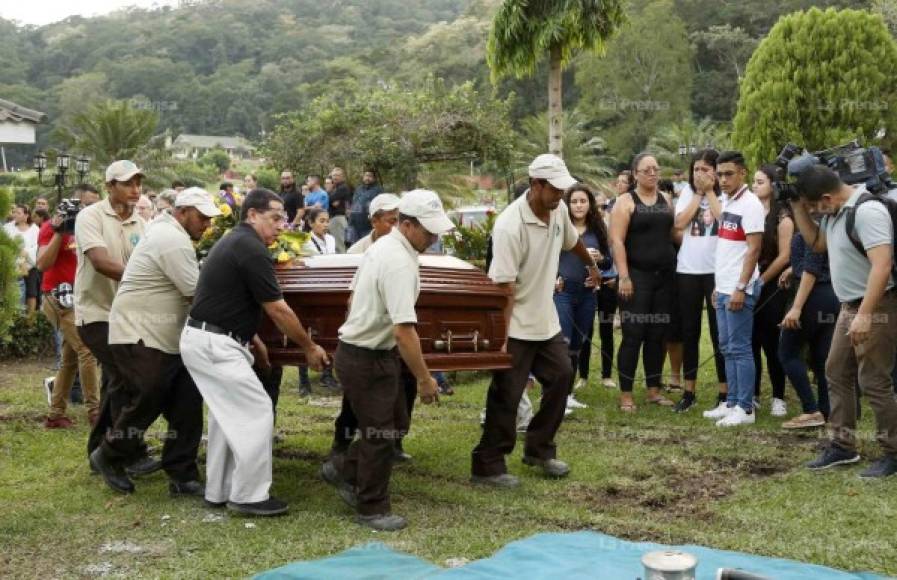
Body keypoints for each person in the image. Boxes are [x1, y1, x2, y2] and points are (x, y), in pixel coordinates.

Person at [180, 188, 328, 516]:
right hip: (214, 344)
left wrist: (253, 340)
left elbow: (232, 300)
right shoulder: (251, 247)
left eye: (283, 219)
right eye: (274, 218)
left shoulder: (238, 241)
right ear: (251, 215)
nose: (280, 226)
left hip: (208, 338)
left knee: (226, 416)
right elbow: (277, 308)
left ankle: (219, 491)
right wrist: (309, 346)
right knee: (257, 410)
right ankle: (248, 496)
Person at [321, 189, 450, 531]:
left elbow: (354, 299)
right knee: (379, 434)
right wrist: (424, 378)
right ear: (407, 225)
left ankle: (345, 471)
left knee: (393, 422)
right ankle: (372, 507)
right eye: (429, 230)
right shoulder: (397, 261)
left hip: (367, 352)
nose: (435, 237)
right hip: (366, 356)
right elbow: (404, 330)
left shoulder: (385, 247)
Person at [471, 154, 600, 487]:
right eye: (554, 189)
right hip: (513, 323)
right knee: (508, 394)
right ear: (535, 184)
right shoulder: (509, 225)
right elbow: (503, 288)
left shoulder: (557, 212)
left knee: (562, 376)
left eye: (563, 188)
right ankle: (487, 464)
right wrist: (500, 336)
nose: (560, 196)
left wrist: (592, 268)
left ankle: (539, 449)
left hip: (544, 320)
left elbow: (574, 243)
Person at [90, 188, 219, 495]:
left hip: (162, 335)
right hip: (141, 332)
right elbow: (196, 295)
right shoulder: (171, 239)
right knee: (150, 395)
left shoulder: (168, 232)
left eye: (210, 219)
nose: (206, 225)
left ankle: (182, 474)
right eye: (202, 217)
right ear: (183, 211)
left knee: (187, 400)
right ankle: (109, 454)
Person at [792, 165, 897, 477]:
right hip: (848, 307)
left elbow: (882, 266)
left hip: (876, 306)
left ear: (826, 197)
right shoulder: (835, 212)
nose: (814, 212)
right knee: (835, 370)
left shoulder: (867, 212)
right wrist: (799, 207)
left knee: (874, 380)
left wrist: (865, 315)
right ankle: (843, 446)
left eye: (813, 206)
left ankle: (893, 452)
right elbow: (817, 244)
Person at [76, 161, 157, 476]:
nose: (135, 189)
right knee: (130, 380)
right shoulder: (90, 216)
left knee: (115, 382)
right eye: (127, 183)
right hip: (95, 314)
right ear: (109, 185)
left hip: (127, 315)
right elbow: (100, 261)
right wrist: (143, 278)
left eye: (138, 183)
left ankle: (99, 449)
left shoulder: (141, 223)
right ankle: (128, 452)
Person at [610, 153, 677, 412]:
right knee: (633, 335)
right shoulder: (625, 202)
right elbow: (616, 241)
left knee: (657, 335)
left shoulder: (666, 200)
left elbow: (671, 234)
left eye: (656, 169)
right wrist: (624, 276)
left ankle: (653, 390)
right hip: (636, 278)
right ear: (635, 173)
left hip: (664, 277)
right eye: (646, 169)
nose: (652, 173)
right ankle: (626, 394)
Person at [702, 151, 764, 427]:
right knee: (726, 347)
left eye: (729, 174)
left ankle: (745, 408)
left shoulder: (750, 205)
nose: (723, 179)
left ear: (743, 173)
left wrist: (740, 287)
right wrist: (719, 286)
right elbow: (728, 249)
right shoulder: (728, 201)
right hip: (724, 287)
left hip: (741, 288)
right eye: (720, 174)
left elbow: (753, 250)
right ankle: (732, 402)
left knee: (739, 348)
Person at [37, 185, 101, 429]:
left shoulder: (92, 227)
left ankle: (55, 415)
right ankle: (95, 412)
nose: (91, 208)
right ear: (74, 203)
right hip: (58, 298)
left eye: (95, 203)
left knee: (70, 358)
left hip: (81, 297)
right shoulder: (50, 228)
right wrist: (59, 232)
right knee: (87, 349)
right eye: (86, 203)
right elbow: (42, 264)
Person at [672, 149, 727, 413]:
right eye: (696, 169)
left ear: (716, 172)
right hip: (688, 270)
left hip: (717, 271)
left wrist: (711, 193)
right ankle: (689, 390)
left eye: (705, 169)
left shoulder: (726, 194)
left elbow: (725, 222)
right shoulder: (686, 193)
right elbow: (679, 223)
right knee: (689, 332)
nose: (699, 174)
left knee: (719, 334)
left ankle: (725, 391)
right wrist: (697, 194)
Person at [553, 184, 611, 412]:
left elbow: (608, 261)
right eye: (574, 201)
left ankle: (568, 394)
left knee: (578, 344)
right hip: (563, 292)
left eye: (583, 201)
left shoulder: (598, 229)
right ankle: (555, 395)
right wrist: (555, 277)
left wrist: (600, 259)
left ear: (590, 205)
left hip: (587, 294)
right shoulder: (559, 227)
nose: (579, 205)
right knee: (563, 343)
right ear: (567, 204)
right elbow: (546, 256)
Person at [777, 227, 835, 429]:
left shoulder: (813, 230)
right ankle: (826, 411)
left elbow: (811, 269)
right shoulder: (831, 224)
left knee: (787, 353)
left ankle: (811, 410)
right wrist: (793, 268)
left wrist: (796, 307)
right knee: (822, 358)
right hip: (832, 296)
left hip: (812, 296)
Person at [751, 165, 794, 416]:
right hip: (750, 282)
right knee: (752, 340)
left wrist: (761, 279)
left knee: (771, 342)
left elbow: (785, 255)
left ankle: (779, 396)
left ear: (773, 185)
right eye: (754, 182)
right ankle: (754, 394)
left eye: (760, 182)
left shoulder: (783, 216)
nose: (755, 186)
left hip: (773, 286)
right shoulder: (751, 211)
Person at [297, 208, 339, 394]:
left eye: (327, 221)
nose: (325, 224)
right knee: (308, 333)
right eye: (321, 221)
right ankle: (303, 381)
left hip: (327, 288)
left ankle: (327, 374)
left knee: (329, 332)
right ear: (311, 223)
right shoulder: (304, 241)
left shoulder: (330, 240)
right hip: (309, 288)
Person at [4, 203, 40, 311]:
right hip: (12, 266)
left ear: (26, 215)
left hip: (30, 265)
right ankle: (14, 317)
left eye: (18, 213)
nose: (15, 214)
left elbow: (37, 246)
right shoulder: (7, 228)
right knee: (12, 292)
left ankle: (29, 322)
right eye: (14, 212)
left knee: (31, 293)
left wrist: (27, 253)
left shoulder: (35, 229)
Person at [349, 170, 385, 243]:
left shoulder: (378, 190)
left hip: (369, 225)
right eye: (366, 176)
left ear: (374, 179)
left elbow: (381, 207)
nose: (367, 178)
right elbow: (354, 204)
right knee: (356, 247)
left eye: (370, 176)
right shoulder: (358, 189)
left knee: (368, 246)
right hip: (355, 225)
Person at [329, 167, 353, 253]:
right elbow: (333, 201)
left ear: (342, 177)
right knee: (336, 244)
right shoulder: (335, 188)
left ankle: (342, 264)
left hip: (338, 218)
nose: (335, 177)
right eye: (333, 175)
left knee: (339, 244)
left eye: (338, 175)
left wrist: (332, 198)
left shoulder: (343, 187)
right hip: (334, 218)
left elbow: (331, 199)